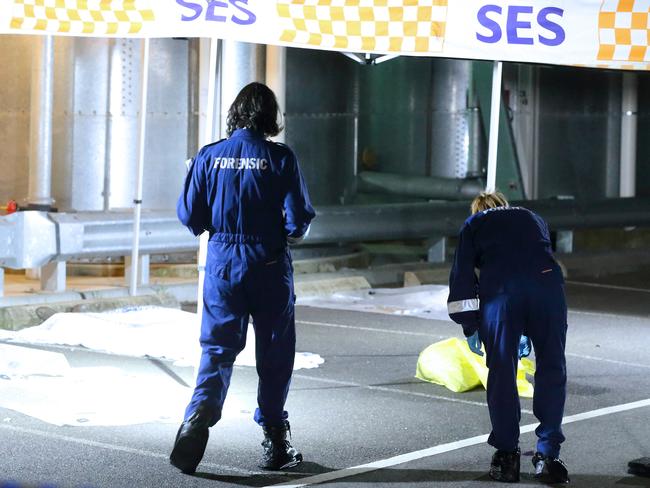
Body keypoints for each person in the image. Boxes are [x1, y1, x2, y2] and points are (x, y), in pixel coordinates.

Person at [170, 82, 315, 475]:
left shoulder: (209, 156)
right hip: (268, 264)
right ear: (270, 116)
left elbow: (190, 218)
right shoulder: (280, 158)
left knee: (217, 350)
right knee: (274, 353)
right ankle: (275, 441)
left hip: (221, 265)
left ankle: (197, 417)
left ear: (235, 113)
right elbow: (298, 221)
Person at [447, 191, 569, 484]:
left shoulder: (473, 223)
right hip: (548, 288)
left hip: (502, 294)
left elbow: (462, 276)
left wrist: (470, 325)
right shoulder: (532, 217)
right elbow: (531, 259)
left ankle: (507, 457)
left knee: (502, 371)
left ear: (477, 209)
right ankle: (548, 458)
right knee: (552, 368)